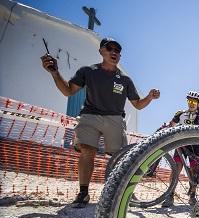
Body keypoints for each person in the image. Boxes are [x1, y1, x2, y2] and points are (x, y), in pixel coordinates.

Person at [41, 38, 160, 208]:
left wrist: (149, 97)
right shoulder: (88, 71)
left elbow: (138, 105)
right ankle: (83, 193)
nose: (114, 52)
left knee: (120, 157)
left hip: (115, 118)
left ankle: (124, 194)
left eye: (117, 50)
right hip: (90, 116)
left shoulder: (125, 80)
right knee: (87, 151)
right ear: (101, 51)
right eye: (109, 48)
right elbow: (68, 91)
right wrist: (54, 72)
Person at [160, 91, 199, 207]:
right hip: (180, 145)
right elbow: (171, 125)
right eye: (189, 101)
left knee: (194, 172)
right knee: (176, 169)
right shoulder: (180, 114)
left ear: (198, 104)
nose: (191, 103)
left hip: (195, 147)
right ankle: (170, 195)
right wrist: (166, 126)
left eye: (194, 102)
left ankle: (192, 196)